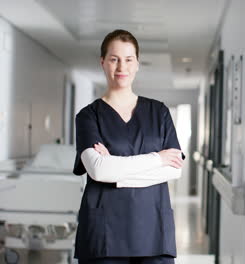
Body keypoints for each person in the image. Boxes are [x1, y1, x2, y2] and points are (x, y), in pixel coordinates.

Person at [72, 29, 185, 264]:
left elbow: (175, 169)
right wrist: (157, 159)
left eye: (128, 59)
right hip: (104, 235)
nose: (121, 67)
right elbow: (99, 170)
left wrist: (116, 172)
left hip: (154, 230)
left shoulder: (159, 112)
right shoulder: (88, 116)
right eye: (114, 59)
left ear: (137, 64)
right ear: (103, 62)